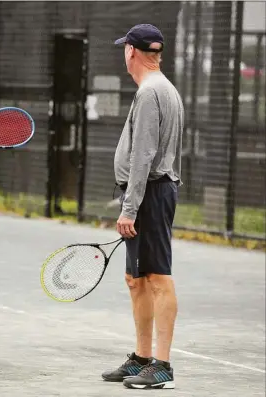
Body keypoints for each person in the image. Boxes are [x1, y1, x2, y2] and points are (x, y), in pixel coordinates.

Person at [101, 24, 183, 390]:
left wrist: (130, 208)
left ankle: (162, 365)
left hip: (149, 194)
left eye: (124, 48)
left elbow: (143, 155)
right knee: (136, 279)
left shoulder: (151, 92)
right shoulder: (161, 88)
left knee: (157, 277)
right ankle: (142, 357)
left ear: (131, 52)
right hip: (149, 193)